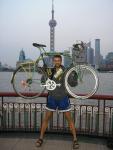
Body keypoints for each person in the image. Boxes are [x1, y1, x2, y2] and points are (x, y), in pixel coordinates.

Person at [35, 54, 79, 149]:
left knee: (70, 120)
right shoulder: (50, 71)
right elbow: (43, 82)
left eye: (58, 60)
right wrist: (44, 75)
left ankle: (75, 140)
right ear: (53, 61)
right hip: (52, 98)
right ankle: (40, 138)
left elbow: (73, 84)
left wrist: (74, 74)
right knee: (46, 119)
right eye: (55, 60)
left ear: (61, 61)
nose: (57, 62)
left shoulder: (66, 71)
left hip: (63, 98)